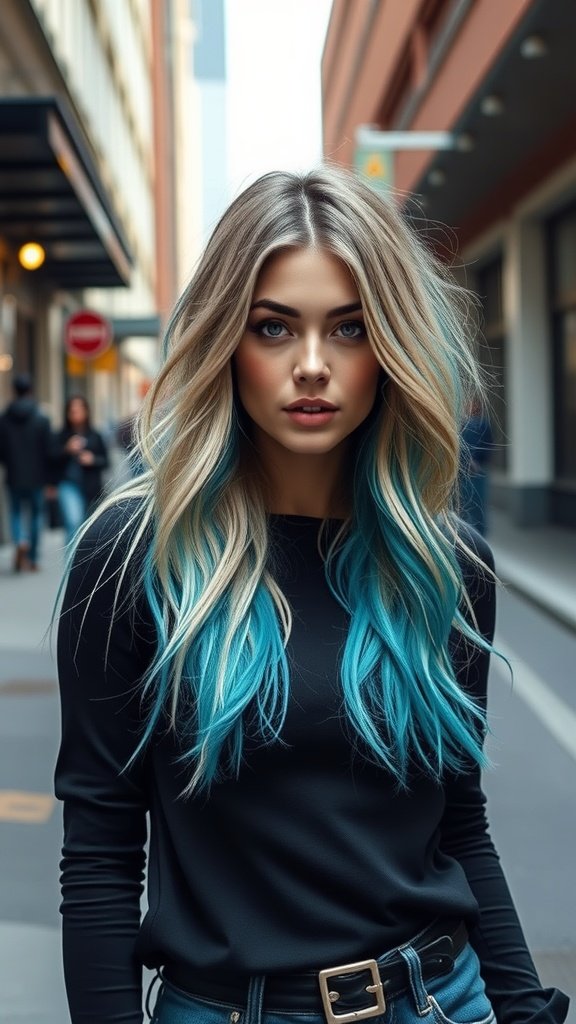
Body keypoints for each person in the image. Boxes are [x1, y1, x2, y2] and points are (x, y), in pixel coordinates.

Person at [54, 169, 569, 1024]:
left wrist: (523, 1010)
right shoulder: (135, 557)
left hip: (443, 1002)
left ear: (390, 347)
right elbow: (102, 851)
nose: (312, 366)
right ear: (227, 340)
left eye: (350, 329)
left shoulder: (445, 565)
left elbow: (459, 825)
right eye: (273, 327)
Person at [0, 372, 51, 571]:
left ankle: (20, 540)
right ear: (30, 390)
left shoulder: (4, 419)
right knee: (37, 514)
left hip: (14, 475)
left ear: (14, 391)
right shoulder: (41, 418)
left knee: (15, 512)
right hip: (37, 476)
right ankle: (32, 557)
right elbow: (48, 450)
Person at [50, 394, 109, 545]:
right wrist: (66, 449)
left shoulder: (95, 435)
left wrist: (93, 460)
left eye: (79, 409)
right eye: (72, 410)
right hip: (68, 485)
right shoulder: (61, 435)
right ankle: (71, 564)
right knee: (73, 522)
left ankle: (82, 563)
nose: (75, 413)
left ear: (86, 411)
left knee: (88, 528)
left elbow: (106, 462)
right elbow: (51, 458)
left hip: (91, 488)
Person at [460, 397, 494, 536]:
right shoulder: (464, 424)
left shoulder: (483, 424)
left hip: (478, 470)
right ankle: (467, 532)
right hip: (464, 471)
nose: (470, 408)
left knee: (478, 502)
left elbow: (488, 446)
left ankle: (480, 533)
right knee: (466, 502)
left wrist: (477, 462)